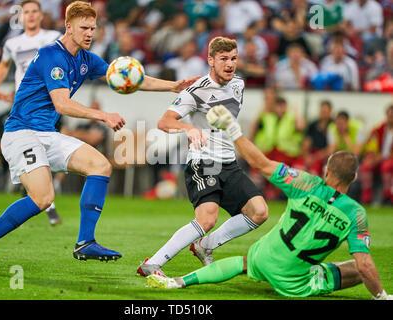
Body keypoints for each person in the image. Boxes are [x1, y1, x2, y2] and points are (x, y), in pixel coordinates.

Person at [0, 1, 199, 273]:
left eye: (93, 28)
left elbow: (128, 78)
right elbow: (62, 104)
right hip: (21, 133)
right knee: (42, 199)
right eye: (84, 28)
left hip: (47, 134)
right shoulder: (53, 55)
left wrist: (173, 86)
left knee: (100, 165)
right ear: (68, 27)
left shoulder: (86, 59)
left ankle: (85, 241)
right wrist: (103, 115)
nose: (90, 33)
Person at [146, 104, 392, 301]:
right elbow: (365, 265)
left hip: (264, 258)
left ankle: (178, 281)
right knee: (355, 268)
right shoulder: (356, 214)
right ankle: (381, 298)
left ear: (326, 172)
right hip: (294, 282)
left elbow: (261, 163)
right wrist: (381, 294)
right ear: (355, 177)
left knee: (244, 260)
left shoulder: (304, 183)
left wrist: (233, 130)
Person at [137, 36, 268, 278]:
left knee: (259, 212)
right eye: (223, 59)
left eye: (234, 59)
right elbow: (164, 121)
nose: (230, 64)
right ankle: (152, 264)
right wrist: (189, 129)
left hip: (228, 162)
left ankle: (205, 246)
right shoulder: (195, 91)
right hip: (203, 161)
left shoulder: (238, 84)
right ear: (210, 60)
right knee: (207, 218)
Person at [0, 0, 63, 226]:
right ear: (20, 17)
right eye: (26, 12)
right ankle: (46, 203)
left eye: (34, 12)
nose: (30, 16)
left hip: (49, 103)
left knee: (46, 153)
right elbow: (3, 65)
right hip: (23, 107)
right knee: (35, 153)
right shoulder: (13, 43)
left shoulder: (52, 38)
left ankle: (40, 197)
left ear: (42, 15)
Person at [360, 105, 393, 204]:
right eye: (389, 116)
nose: (390, 118)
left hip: (389, 159)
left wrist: (383, 157)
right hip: (379, 158)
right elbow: (369, 142)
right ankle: (367, 197)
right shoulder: (380, 128)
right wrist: (370, 155)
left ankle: (387, 196)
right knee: (365, 166)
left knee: (386, 167)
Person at [296, 100, 334, 177]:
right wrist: (307, 156)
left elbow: (331, 149)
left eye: (325, 111)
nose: (323, 113)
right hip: (311, 154)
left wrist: (314, 158)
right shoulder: (313, 125)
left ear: (330, 112)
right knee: (297, 170)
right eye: (322, 111)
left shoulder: (333, 126)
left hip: (324, 157)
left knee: (314, 173)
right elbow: (306, 143)